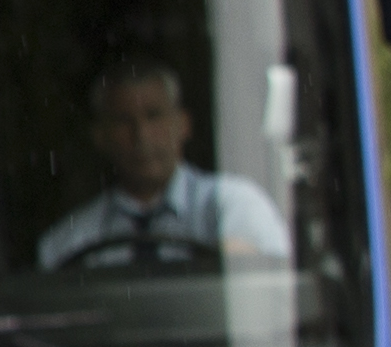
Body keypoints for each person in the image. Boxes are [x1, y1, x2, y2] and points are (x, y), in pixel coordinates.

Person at [36, 55, 291, 269]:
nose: (141, 136)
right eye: (124, 121)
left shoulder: (234, 208)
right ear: (100, 136)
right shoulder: (70, 243)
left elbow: (262, 301)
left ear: (183, 124)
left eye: (154, 116)